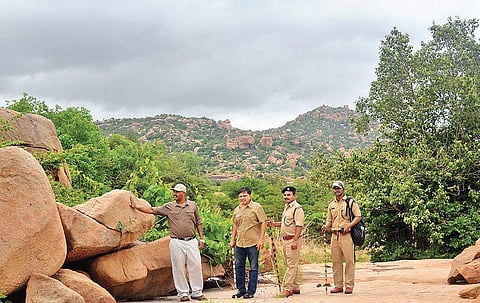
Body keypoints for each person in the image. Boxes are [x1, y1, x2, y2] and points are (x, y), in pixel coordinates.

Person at [130, 183, 206, 302]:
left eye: (177, 192)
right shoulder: (169, 207)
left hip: (191, 241)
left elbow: (198, 222)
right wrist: (136, 206)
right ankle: (183, 293)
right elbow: (151, 210)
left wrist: (201, 239)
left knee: (196, 266)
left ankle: (197, 292)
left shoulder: (192, 205)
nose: (174, 194)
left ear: (183, 193)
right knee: (178, 267)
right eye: (174, 192)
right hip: (176, 242)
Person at [321, 180, 362, 295]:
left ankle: (349, 286)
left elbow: (358, 216)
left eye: (338, 188)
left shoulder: (350, 202)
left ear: (343, 189)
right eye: (334, 188)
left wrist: (349, 226)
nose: (336, 190)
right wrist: (326, 226)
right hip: (334, 236)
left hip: (346, 235)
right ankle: (338, 285)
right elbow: (330, 220)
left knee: (349, 261)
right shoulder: (331, 204)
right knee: (336, 262)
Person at [229, 187, 267, 299]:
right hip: (240, 243)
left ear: (250, 196)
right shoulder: (237, 209)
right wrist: (232, 239)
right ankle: (241, 289)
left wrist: (261, 239)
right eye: (240, 196)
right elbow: (235, 225)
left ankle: (251, 291)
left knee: (253, 267)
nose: (242, 198)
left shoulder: (257, 207)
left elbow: (263, 222)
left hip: (253, 242)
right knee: (239, 267)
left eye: (245, 195)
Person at [267, 186, 305, 297]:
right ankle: (295, 287)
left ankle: (287, 288)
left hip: (293, 239)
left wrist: (295, 241)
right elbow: (285, 224)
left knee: (291, 265)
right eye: (285, 195)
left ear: (294, 196)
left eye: (288, 195)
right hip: (285, 240)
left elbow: (299, 226)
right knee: (291, 264)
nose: (286, 197)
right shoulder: (287, 207)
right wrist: (273, 224)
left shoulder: (297, 208)